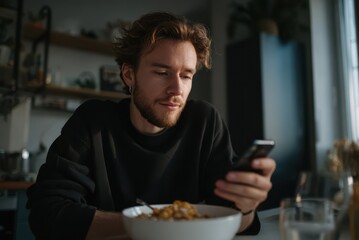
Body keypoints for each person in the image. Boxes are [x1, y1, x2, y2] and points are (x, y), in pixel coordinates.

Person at [26, 11, 276, 240]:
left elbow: (232, 219)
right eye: (161, 72)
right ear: (128, 75)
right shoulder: (93, 122)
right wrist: (160, 224)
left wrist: (246, 207)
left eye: (186, 76)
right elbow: (48, 214)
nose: (177, 90)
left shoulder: (205, 122)